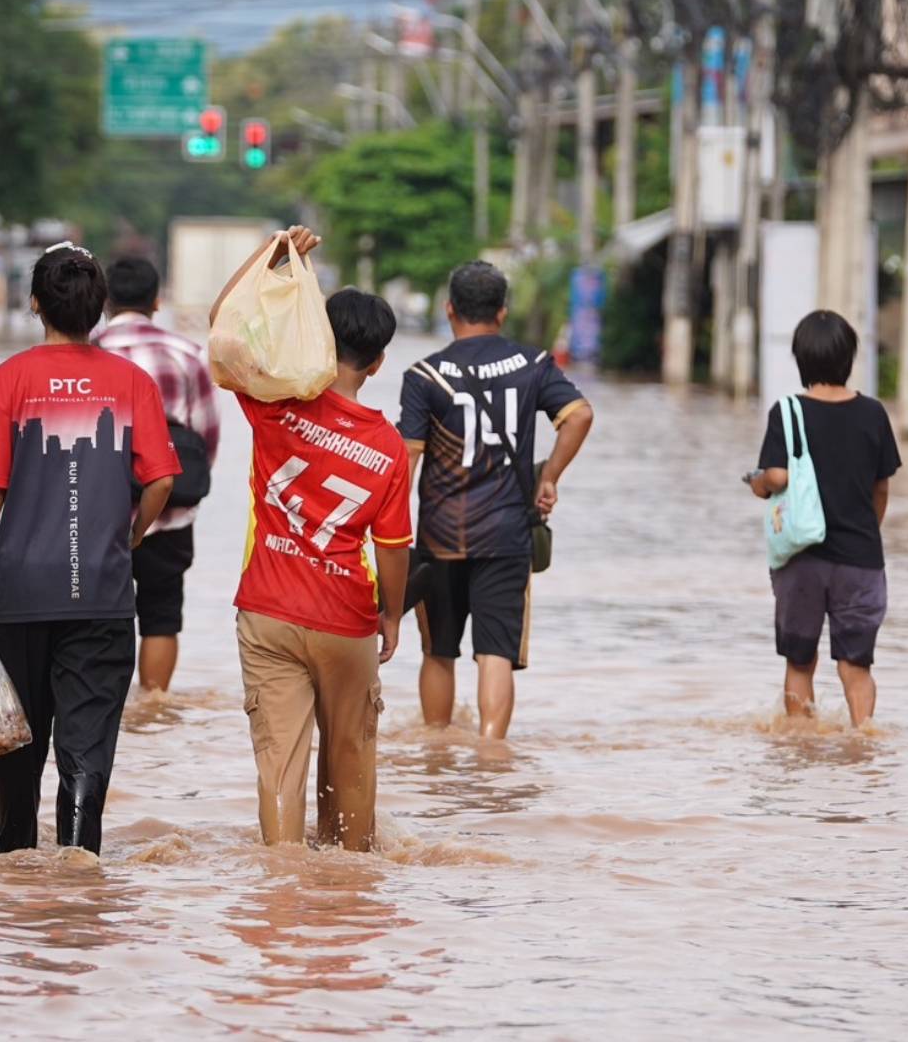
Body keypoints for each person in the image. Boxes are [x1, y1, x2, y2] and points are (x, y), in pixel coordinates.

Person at [0, 243, 178, 856]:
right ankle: (78, 881)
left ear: (35, 303)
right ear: (99, 308)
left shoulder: (9, 380)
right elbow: (161, 479)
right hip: (102, 592)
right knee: (86, 755)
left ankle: (14, 868)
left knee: (19, 746)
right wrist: (129, 535)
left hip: (22, 591)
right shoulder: (132, 383)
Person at [211, 227, 413, 852]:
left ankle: (282, 887)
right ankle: (346, 891)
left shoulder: (274, 402)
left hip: (267, 611)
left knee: (279, 764)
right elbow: (394, 547)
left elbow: (225, 327)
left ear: (322, 340)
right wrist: (392, 617)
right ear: (379, 361)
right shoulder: (387, 446)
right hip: (345, 618)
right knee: (350, 760)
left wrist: (275, 257)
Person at [398, 260, 594, 739]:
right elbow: (580, 416)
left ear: (449, 310)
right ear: (502, 312)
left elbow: (406, 463)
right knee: (495, 652)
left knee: (438, 651)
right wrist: (549, 476)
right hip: (506, 536)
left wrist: (392, 531)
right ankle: (490, 756)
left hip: (440, 535)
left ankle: (437, 752)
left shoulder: (425, 375)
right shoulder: (534, 365)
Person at [748, 309, 900, 728]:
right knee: (856, 666)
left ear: (801, 360)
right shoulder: (874, 414)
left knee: (800, 661)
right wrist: (865, 533)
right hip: (861, 559)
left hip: (802, 560)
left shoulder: (788, 412)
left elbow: (776, 478)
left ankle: (799, 747)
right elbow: (881, 487)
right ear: (849, 358)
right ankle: (864, 739)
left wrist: (757, 482)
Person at [93, 256, 219, 692]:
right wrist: (183, 491)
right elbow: (207, 436)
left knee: (94, 618)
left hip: (94, 516)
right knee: (162, 617)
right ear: (157, 300)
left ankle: (103, 706)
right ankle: (152, 709)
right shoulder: (188, 354)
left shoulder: (89, 354)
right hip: (169, 509)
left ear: (105, 301)